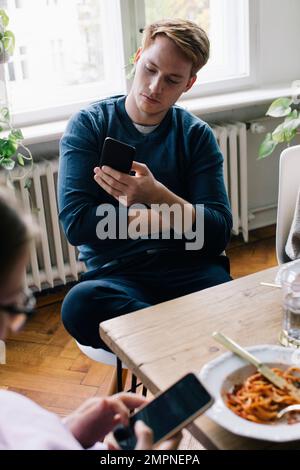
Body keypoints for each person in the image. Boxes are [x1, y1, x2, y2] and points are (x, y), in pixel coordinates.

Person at [58, 19, 233, 351]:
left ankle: (163, 353)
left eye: (172, 80)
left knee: (223, 295)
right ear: (138, 57)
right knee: (79, 304)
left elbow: (217, 233)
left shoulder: (196, 135)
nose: (154, 88)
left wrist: (157, 196)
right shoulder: (89, 126)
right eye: (150, 69)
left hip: (189, 268)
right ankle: (186, 348)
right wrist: (172, 216)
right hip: (117, 275)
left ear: (189, 84)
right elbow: (77, 225)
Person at [0, 188, 180, 450]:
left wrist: (70, 432)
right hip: (116, 273)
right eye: (15, 305)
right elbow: (78, 225)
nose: (13, 328)